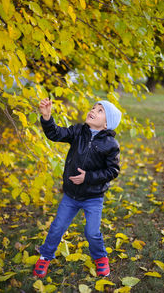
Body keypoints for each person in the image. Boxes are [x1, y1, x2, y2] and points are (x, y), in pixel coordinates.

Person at [33, 98, 122, 278]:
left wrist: (87, 177)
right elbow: (56, 134)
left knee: (92, 232)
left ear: (106, 124)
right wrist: (47, 117)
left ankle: (100, 257)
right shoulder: (78, 131)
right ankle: (45, 256)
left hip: (93, 197)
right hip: (71, 195)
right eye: (93, 108)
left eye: (99, 111)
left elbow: (112, 171)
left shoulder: (111, 145)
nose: (93, 111)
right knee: (57, 227)